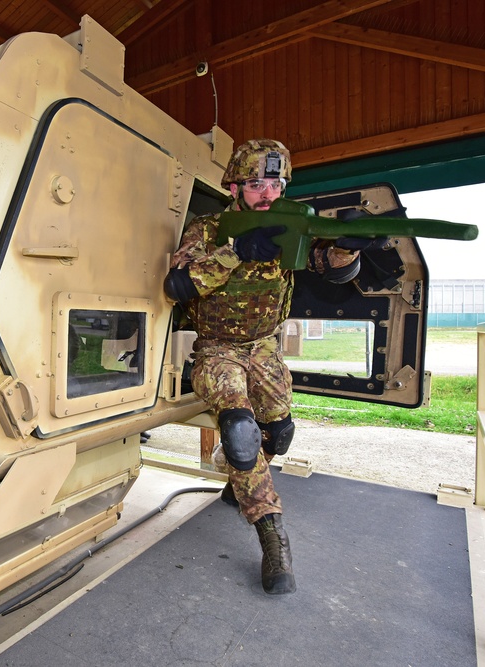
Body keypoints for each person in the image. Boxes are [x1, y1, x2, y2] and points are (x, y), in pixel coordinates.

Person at [163, 139, 368, 595]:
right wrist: (237, 250)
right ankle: (271, 534)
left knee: (280, 433)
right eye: (256, 184)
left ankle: (239, 484)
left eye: (275, 183)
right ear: (234, 186)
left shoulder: (287, 224)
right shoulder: (209, 229)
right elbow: (178, 285)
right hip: (217, 351)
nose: (267, 194)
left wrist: (348, 251)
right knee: (239, 431)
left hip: (265, 349)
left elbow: (327, 268)